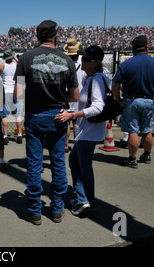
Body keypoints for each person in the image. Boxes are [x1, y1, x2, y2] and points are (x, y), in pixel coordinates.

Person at [14, 20, 79, 225]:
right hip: (58, 114)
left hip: (34, 114)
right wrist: (59, 100)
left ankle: (34, 210)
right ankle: (57, 209)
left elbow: (18, 93)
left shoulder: (26, 58)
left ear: (37, 37)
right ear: (56, 37)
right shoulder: (66, 59)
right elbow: (74, 96)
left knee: (34, 164)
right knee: (58, 162)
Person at [55, 45, 110, 216]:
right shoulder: (91, 78)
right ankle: (83, 198)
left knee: (83, 167)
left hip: (89, 132)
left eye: (85, 58)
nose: (82, 61)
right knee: (75, 162)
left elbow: (98, 107)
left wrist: (73, 115)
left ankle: (86, 201)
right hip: (86, 132)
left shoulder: (97, 79)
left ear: (94, 62)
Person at [112, 35, 154, 168]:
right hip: (150, 100)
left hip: (131, 100)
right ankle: (147, 155)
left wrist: (117, 98)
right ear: (147, 47)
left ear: (133, 49)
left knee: (133, 130)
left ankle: (132, 159)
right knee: (147, 130)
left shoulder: (126, 64)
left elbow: (115, 84)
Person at [0, 49, 23, 144]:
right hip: (16, 91)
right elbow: (23, 65)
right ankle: (19, 134)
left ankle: (5, 136)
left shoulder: (1, 66)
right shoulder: (17, 65)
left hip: (5, 92)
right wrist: (16, 58)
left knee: (4, 115)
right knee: (17, 114)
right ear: (12, 56)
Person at [63, 39, 85, 152]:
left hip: (68, 95)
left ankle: (65, 145)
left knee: (66, 122)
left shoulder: (65, 63)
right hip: (79, 96)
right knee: (77, 122)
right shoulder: (83, 62)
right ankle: (77, 143)